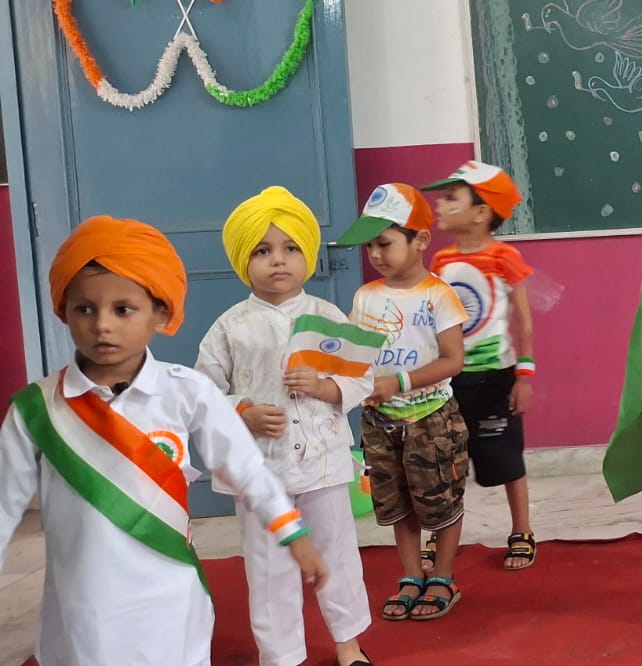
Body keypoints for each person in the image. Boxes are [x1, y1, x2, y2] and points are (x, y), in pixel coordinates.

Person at [0, 215, 327, 665]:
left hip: (171, 603)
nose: (102, 325)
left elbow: (246, 470)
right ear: (63, 311)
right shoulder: (35, 409)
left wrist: (293, 533)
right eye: (85, 309)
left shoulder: (187, 391)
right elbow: (4, 505)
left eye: (123, 309)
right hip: (82, 613)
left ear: (160, 313)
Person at [196, 187, 375, 666]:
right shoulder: (230, 327)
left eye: (291, 247)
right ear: (243, 260)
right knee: (269, 568)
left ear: (308, 255)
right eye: (262, 250)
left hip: (322, 464)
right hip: (259, 472)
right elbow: (202, 393)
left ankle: (348, 645)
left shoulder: (327, 318)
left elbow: (362, 377)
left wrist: (325, 386)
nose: (278, 260)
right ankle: (281, 656)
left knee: (337, 556)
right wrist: (242, 411)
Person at [334, 184, 469, 622]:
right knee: (396, 503)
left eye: (384, 243)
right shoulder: (365, 296)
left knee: (441, 500)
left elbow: (453, 361)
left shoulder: (438, 295)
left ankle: (443, 576)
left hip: (432, 419)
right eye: (369, 246)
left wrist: (399, 382)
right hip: (380, 421)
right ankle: (412, 575)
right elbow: (355, 353)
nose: (375, 254)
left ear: (420, 240)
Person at [423, 162, 541, 572]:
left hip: (495, 379)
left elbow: (523, 320)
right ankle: (439, 533)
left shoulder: (504, 256)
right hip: (449, 379)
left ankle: (522, 530)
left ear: (481, 212)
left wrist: (524, 375)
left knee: (506, 458)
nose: (440, 204)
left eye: (451, 197)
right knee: (444, 460)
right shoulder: (441, 260)